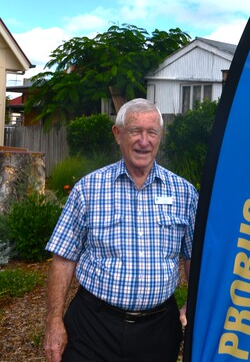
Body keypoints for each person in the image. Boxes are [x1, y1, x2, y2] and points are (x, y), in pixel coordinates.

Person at [43, 98, 199, 362]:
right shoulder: (88, 189)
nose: (144, 141)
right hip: (93, 327)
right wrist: (53, 321)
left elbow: (194, 257)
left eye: (152, 132)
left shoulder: (185, 193)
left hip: (158, 331)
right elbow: (63, 259)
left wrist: (194, 303)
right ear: (118, 134)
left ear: (160, 137)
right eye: (135, 131)